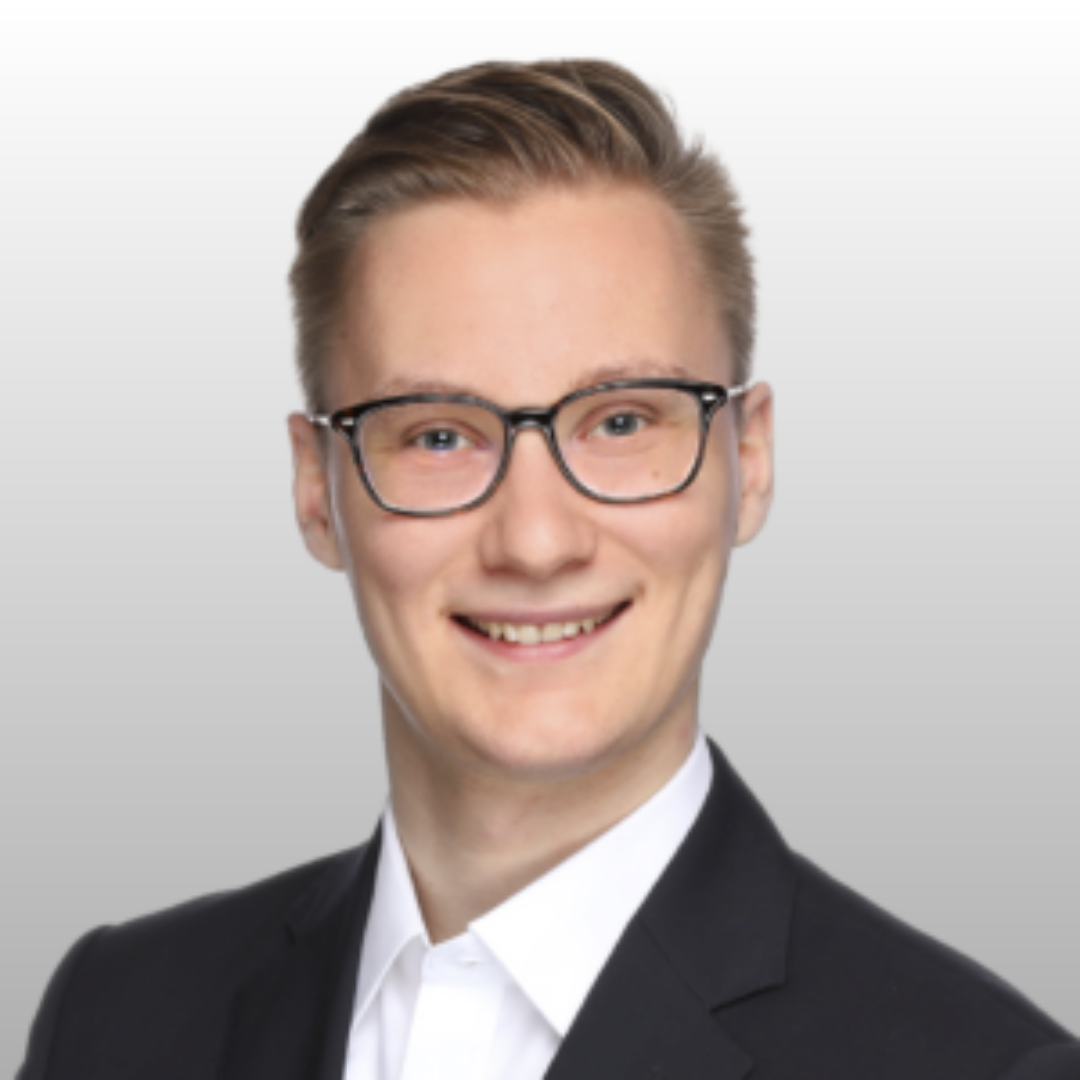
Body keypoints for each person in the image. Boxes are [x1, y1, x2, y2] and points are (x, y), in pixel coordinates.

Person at [17, 58, 1079, 1080]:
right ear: (316, 488)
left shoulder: (985, 1069)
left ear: (748, 465)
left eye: (622, 422)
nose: (534, 540)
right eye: (437, 435)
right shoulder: (113, 1019)